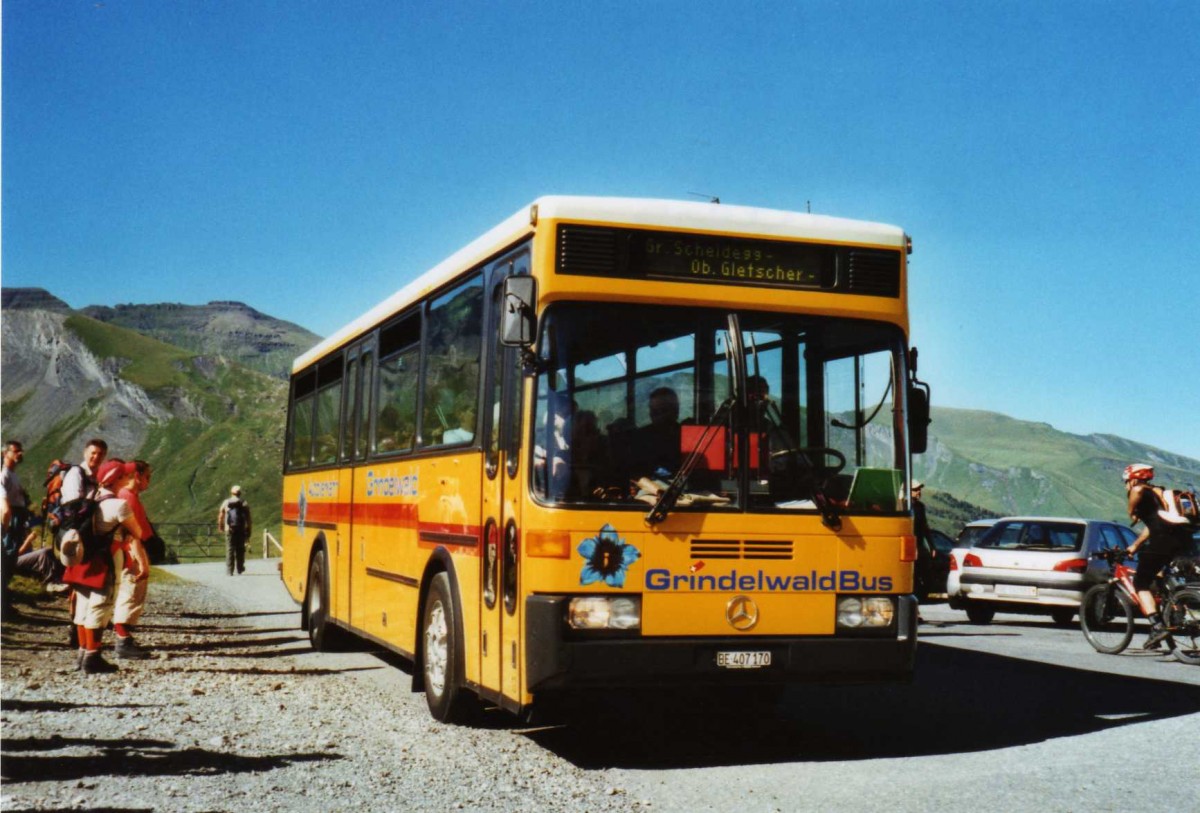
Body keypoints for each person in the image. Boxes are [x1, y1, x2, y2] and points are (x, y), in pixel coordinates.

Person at [72, 458, 145, 673]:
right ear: (117, 479)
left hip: (82, 558)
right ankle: (93, 658)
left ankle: (83, 653)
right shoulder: (119, 505)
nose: (129, 478)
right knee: (101, 604)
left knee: (83, 605)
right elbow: (138, 532)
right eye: (125, 475)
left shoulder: (88, 499)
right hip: (107, 558)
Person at [1123, 463, 1191, 648]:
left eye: (1126, 481)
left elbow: (1136, 491)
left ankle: (1158, 626)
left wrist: (1131, 512)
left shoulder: (1139, 489)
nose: (1126, 485)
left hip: (1162, 541)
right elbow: (1152, 526)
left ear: (1133, 478)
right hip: (1182, 539)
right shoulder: (1158, 493)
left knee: (1140, 583)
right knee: (1160, 580)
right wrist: (1135, 546)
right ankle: (1173, 617)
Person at [113, 460, 154, 659]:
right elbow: (132, 534)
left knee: (130, 594)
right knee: (130, 593)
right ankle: (123, 640)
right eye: (147, 476)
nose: (149, 481)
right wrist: (142, 562)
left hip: (127, 550)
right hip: (131, 552)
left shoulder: (127, 496)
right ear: (136, 476)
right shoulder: (128, 498)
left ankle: (124, 637)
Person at [1, 440, 29, 620]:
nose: (20, 454)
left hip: (17, 518)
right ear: (6, 453)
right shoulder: (4, 475)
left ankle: (5, 601)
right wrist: (5, 527)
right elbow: (5, 505)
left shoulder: (12, 475)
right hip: (11, 520)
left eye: (20, 451)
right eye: (16, 451)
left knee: (10, 561)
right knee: (6, 560)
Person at [911, 482, 935, 613]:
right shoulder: (903, 507)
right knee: (912, 578)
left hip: (919, 547)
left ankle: (916, 607)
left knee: (924, 577)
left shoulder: (920, 507)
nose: (918, 492)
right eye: (915, 490)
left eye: (919, 490)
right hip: (908, 547)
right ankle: (915, 611)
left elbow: (925, 527)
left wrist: (932, 546)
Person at [217, 486, 252, 576]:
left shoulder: (226, 502)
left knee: (230, 549)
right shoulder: (244, 503)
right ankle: (240, 568)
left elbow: (221, 515)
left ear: (231, 493)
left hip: (229, 529)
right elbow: (248, 518)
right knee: (240, 549)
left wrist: (220, 526)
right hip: (241, 529)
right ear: (239, 493)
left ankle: (229, 570)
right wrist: (249, 529)